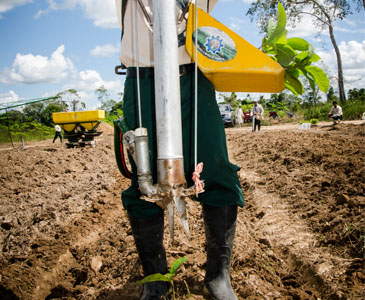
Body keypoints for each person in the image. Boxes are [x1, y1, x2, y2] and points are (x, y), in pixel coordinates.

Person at [114, 1, 244, 300]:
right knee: (143, 178)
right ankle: (156, 279)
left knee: (217, 170)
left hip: (195, 80)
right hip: (142, 79)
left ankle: (218, 278)